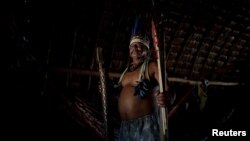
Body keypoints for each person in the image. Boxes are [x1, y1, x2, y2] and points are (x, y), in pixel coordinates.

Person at [100, 16, 170, 141]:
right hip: (125, 128)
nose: (135, 48)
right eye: (133, 46)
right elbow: (117, 95)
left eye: (139, 46)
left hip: (146, 126)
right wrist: (106, 90)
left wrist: (167, 97)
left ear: (146, 50)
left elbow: (169, 90)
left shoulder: (152, 66)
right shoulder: (125, 73)